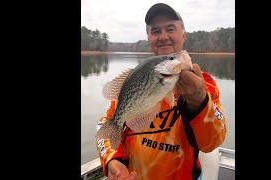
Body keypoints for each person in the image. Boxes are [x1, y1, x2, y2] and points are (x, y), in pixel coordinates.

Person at [95, 3, 227, 180]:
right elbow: (105, 125)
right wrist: (113, 160)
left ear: (183, 34)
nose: (163, 36)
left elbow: (212, 142)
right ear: (149, 37)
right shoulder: (134, 80)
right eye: (156, 31)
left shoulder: (204, 85)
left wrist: (199, 101)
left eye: (170, 29)